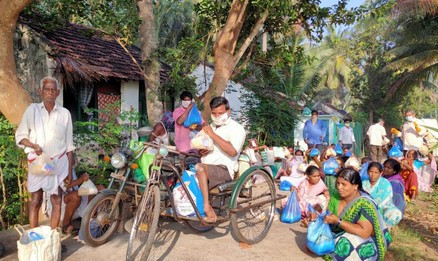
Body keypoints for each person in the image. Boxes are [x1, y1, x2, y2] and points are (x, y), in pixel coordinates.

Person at [15, 76, 75, 229]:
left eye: (53, 90)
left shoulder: (64, 114)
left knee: (57, 200)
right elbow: (20, 136)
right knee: (36, 200)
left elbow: (69, 146)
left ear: (57, 92)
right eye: (47, 89)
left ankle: (53, 238)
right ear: (40, 91)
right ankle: (35, 239)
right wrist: (33, 145)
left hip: (58, 163)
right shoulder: (32, 110)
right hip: (39, 163)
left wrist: (69, 172)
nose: (50, 92)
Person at [195, 97, 246, 222]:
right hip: (207, 164)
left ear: (228, 112)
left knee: (200, 168)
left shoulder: (236, 128)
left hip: (223, 169)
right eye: (214, 113)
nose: (217, 116)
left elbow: (233, 151)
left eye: (220, 113)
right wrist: (201, 150)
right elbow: (200, 145)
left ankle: (207, 206)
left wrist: (212, 134)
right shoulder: (209, 127)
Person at [323, 168, 391, 260]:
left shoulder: (363, 203)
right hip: (338, 234)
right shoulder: (335, 196)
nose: (339, 187)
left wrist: (338, 221)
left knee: (347, 242)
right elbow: (328, 216)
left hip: (365, 239)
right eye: (338, 183)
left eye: (344, 184)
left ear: (355, 186)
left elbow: (365, 232)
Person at [362, 162, 402, 227]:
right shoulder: (363, 183)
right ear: (367, 172)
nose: (372, 175)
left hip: (383, 209)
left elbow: (385, 199)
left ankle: (384, 229)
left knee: (396, 213)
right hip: (365, 209)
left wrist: (375, 210)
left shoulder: (385, 183)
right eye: (371, 172)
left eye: (376, 172)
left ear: (380, 173)